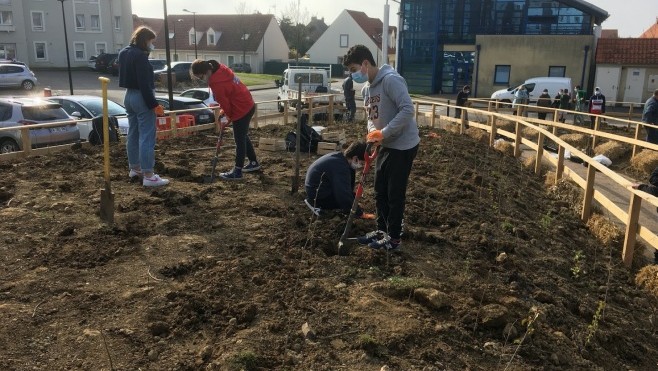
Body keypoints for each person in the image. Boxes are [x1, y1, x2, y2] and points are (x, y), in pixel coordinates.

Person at [343, 44, 420, 251]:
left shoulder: (391, 80)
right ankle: (381, 230)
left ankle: (393, 239)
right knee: (379, 191)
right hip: (385, 144)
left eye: (353, 69)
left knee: (394, 192)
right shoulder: (367, 89)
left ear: (365, 64)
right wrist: (372, 135)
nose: (352, 75)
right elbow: (371, 117)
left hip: (403, 144)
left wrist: (384, 133)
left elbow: (407, 110)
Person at [191, 60, 260, 180]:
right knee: (243, 136)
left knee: (239, 140)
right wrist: (225, 113)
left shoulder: (217, 83)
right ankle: (254, 163)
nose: (201, 79)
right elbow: (228, 98)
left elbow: (225, 103)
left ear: (206, 72)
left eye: (201, 76)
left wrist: (227, 117)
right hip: (248, 103)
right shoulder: (220, 69)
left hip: (241, 108)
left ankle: (237, 171)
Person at [118, 26, 169, 187]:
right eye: (151, 41)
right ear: (144, 40)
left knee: (133, 133)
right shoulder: (140, 56)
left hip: (128, 96)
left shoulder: (124, 52)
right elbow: (144, 84)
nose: (151, 45)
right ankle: (149, 175)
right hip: (142, 97)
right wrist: (154, 104)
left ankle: (135, 168)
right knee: (147, 136)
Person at [304, 141, 373, 218]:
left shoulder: (341, 159)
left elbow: (347, 187)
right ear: (355, 158)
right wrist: (358, 213)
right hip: (318, 196)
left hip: (320, 188)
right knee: (343, 201)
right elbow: (343, 193)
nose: (362, 167)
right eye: (362, 163)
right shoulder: (341, 168)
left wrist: (354, 201)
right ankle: (315, 204)